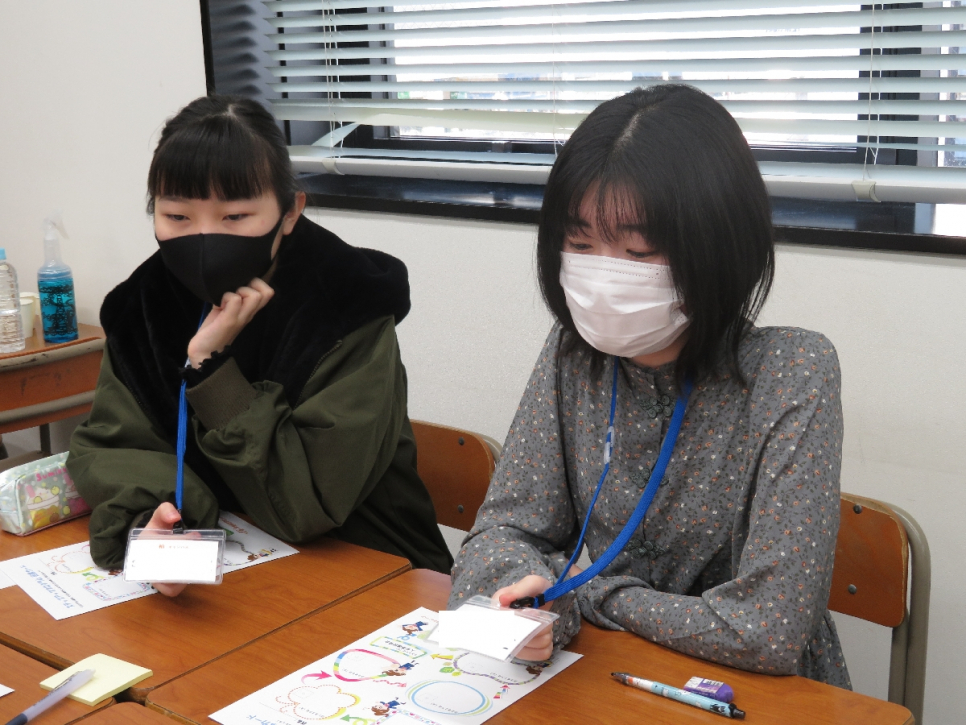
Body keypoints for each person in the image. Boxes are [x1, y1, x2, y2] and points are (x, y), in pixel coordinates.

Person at [448, 84, 850, 688]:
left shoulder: (793, 371)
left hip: (756, 695)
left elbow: (767, 630)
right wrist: (522, 598)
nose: (604, 279)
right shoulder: (572, 355)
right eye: (580, 245)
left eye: (637, 251)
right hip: (616, 677)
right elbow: (503, 532)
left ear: (717, 246)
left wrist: (593, 596)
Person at [67, 95, 452, 595]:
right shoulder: (142, 305)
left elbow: (306, 507)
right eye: (177, 216)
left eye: (235, 217)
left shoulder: (347, 308)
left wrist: (210, 370)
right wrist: (156, 524)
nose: (205, 238)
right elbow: (112, 446)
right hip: (232, 567)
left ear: (290, 212)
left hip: (366, 566)